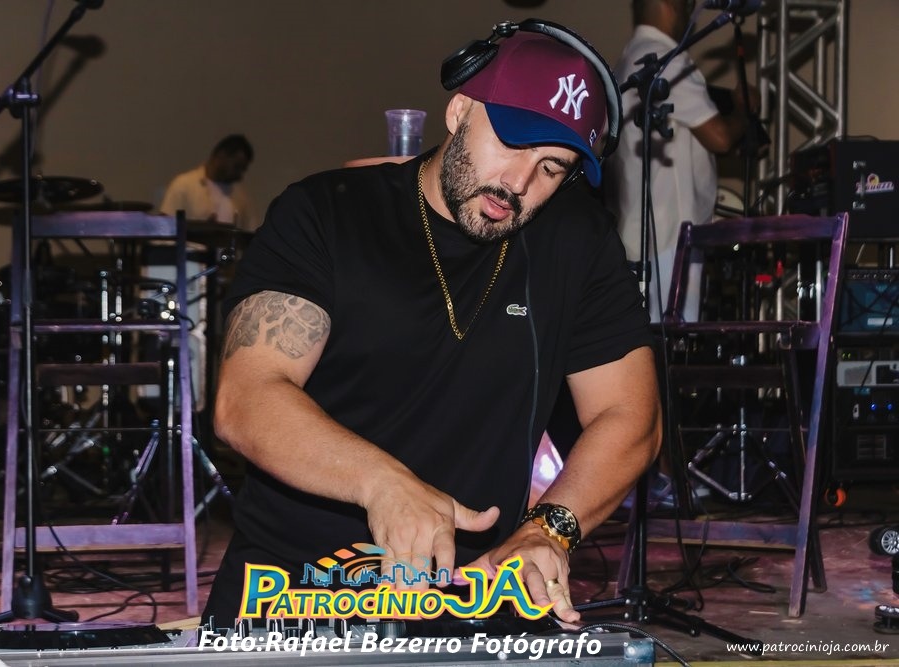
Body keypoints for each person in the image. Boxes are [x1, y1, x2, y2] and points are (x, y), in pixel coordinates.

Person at [203, 22, 662, 629]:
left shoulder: (577, 241)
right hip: (293, 594)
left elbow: (630, 415)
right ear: (460, 110)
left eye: (552, 166)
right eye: (513, 142)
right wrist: (382, 484)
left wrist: (549, 529)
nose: (519, 184)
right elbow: (246, 397)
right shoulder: (327, 212)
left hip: (477, 595)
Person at [607, 0, 755, 322]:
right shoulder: (666, 61)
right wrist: (744, 111)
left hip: (641, 235)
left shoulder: (628, 59)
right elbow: (719, 137)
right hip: (670, 239)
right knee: (672, 340)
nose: (690, 9)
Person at [159, 133, 259, 232]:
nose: (240, 175)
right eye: (237, 167)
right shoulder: (184, 185)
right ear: (221, 155)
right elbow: (164, 228)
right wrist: (201, 230)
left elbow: (251, 232)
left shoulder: (241, 197)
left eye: (243, 169)